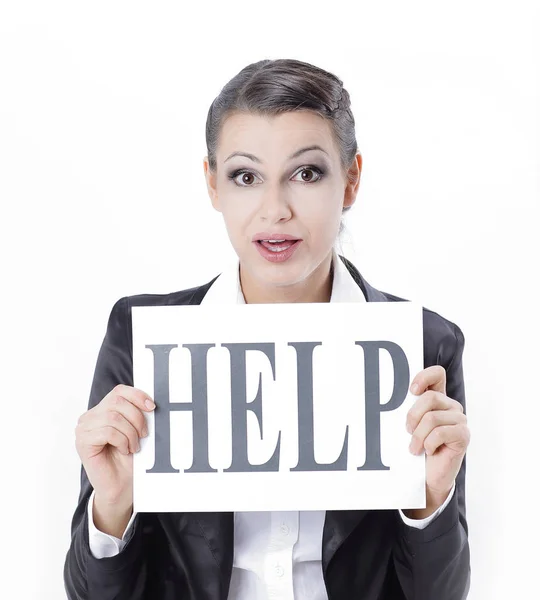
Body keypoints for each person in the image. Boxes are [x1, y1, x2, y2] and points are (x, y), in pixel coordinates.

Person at [63, 58, 471, 600]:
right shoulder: (140, 338)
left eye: (306, 173)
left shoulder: (425, 346)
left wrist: (430, 501)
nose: (274, 210)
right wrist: (112, 506)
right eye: (246, 176)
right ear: (213, 184)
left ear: (349, 181)